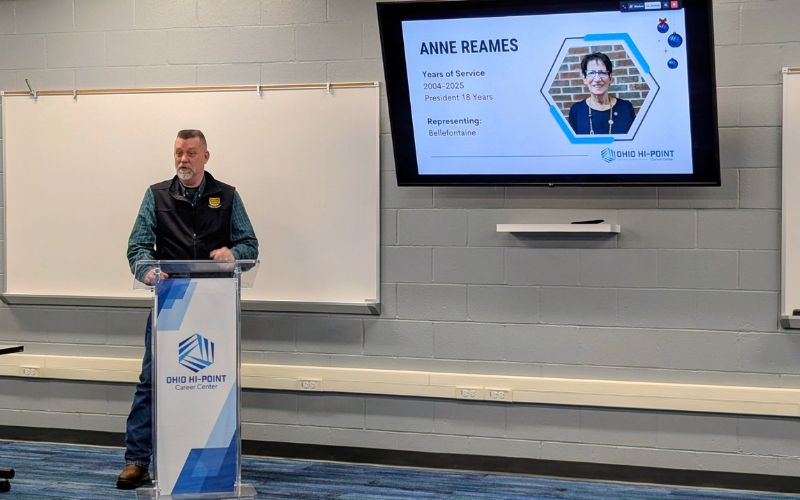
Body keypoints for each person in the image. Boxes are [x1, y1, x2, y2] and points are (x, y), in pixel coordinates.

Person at [117, 129, 258, 489]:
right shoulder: (157, 195)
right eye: (178, 152)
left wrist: (233, 254)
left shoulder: (227, 196)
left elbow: (249, 244)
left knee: (213, 379)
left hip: (214, 305)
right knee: (151, 380)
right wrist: (148, 270)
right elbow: (137, 247)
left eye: (191, 153)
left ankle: (212, 461)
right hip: (172, 302)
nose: (183, 159)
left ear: (206, 157)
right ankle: (137, 460)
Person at [568, 52, 636, 135]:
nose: (597, 79)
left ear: (610, 77)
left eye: (602, 73)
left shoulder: (626, 107)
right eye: (591, 73)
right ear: (585, 79)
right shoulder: (576, 110)